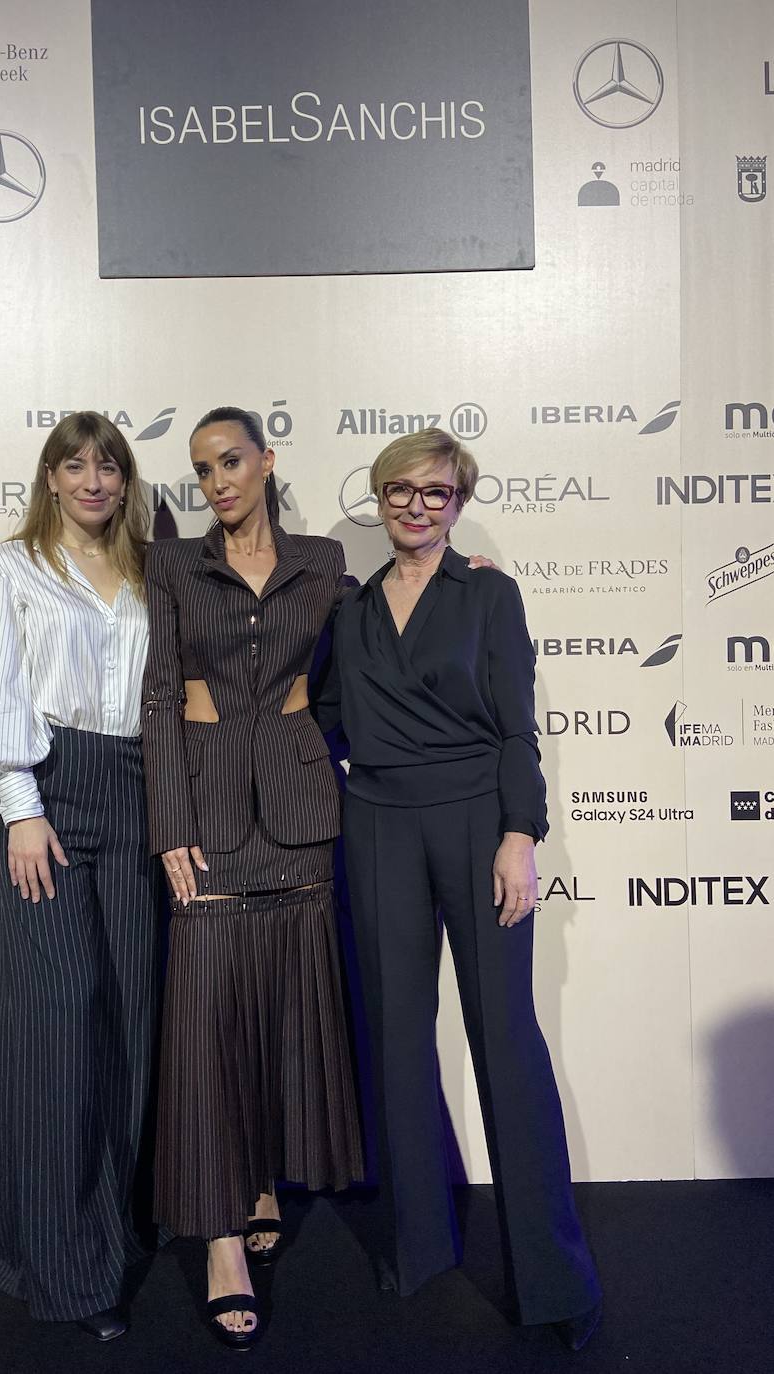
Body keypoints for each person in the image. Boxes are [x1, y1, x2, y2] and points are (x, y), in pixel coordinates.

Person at [316, 428, 603, 1351]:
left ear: (458, 502)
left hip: (478, 820)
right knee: (396, 1040)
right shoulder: (349, 611)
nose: (415, 506)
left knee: (504, 1042)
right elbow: (320, 719)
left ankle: (552, 1281)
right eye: (400, 490)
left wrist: (520, 834)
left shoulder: (488, 592)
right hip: (377, 824)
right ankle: (419, 1249)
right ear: (379, 496)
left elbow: (516, 727)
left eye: (435, 493)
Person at [141, 406, 364, 1348]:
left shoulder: (323, 561)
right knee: (208, 1021)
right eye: (201, 470)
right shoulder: (172, 566)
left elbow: (364, 661)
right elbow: (158, 697)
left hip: (302, 814)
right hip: (208, 814)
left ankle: (264, 1172)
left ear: (267, 461)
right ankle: (222, 1238)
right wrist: (168, 827)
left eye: (231, 461)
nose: (217, 481)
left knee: (281, 1012)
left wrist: (452, 582)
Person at [0, 412, 162, 1342]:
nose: (92, 480)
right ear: (48, 478)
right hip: (49, 796)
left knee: (125, 1021)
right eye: (73, 465)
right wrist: (21, 805)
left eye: (108, 466)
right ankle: (61, 1266)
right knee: (55, 1031)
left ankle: (106, 1233)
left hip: (140, 794)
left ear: (125, 482)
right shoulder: (14, 569)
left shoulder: (151, 575)